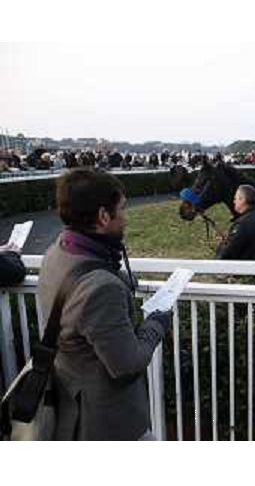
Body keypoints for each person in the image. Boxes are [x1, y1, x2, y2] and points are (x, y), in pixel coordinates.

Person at [37, 169, 172, 440]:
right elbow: (127, 365)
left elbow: (80, 277)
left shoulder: (58, 250)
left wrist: (121, 277)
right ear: (102, 216)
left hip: (70, 402)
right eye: (121, 209)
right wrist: (156, 324)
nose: (126, 217)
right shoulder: (102, 288)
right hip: (108, 421)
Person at [216, 184, 255, 260]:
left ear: (243, 200)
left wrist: (221, 245)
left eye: (235, 199)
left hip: (247, 269)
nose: (234, 201)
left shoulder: (242, 224)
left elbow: (226, 256)